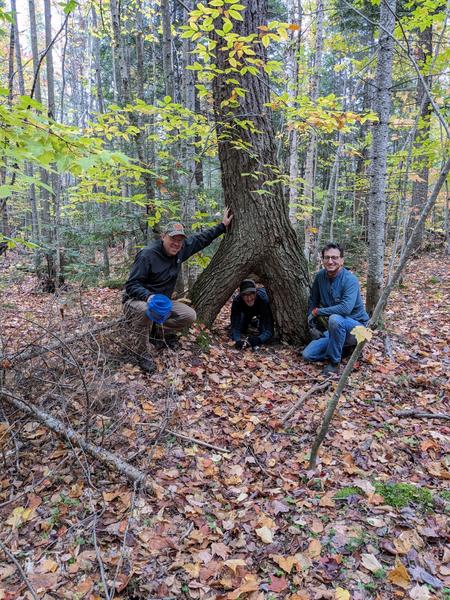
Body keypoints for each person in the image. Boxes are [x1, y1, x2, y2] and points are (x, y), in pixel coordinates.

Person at [123, 208, 233, 373]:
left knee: (189, 315)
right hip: (136, 300)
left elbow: (201, 239)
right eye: (173, 239)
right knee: (146, 310)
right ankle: (142, 353)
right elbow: (131, 285)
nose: (176, 243)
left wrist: (223, 226)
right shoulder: (147, 255)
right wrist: (148, 296)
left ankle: (159, 334)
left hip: (162, 302)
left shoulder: (180, 250)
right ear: (163, 237)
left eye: (180, 240)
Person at [301, 243, 369, 376]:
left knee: (335, 318)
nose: (330, 261)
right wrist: (311, 325)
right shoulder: (320, 277)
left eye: (334, 257)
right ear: (323, 260)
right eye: (327, 258)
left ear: (342, 260)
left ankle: (334, 363)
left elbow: (345, 309)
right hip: (335, 330)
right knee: (307, 354)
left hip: (357, 329)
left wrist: (317, 312)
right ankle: (344, 349)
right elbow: (313, 300)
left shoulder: (350, 280)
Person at [230, 279, 274, 350]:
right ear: (241, 295)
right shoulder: (237, 301)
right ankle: (254, 321)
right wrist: (237, 341)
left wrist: (258, 339)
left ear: (256, 292)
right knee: (241, 328)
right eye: (245, 295)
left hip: (262, 312)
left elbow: (268, 329)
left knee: (263, 332)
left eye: (252, 294)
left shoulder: (264, 300)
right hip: (247, 313)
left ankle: (256, 322)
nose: (249, 298)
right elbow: (235, 327)